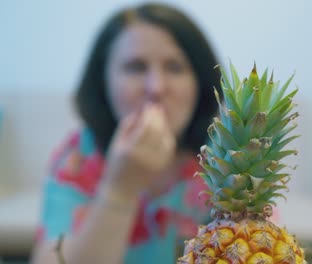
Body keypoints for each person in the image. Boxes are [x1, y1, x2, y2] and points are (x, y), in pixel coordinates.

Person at [32, 2, 221, 263]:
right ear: (104, 81)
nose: (155, 88)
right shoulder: (78, 157)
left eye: (175, 67)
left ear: (200, 82)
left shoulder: (224, 160)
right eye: (136, 67)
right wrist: (119, 190)